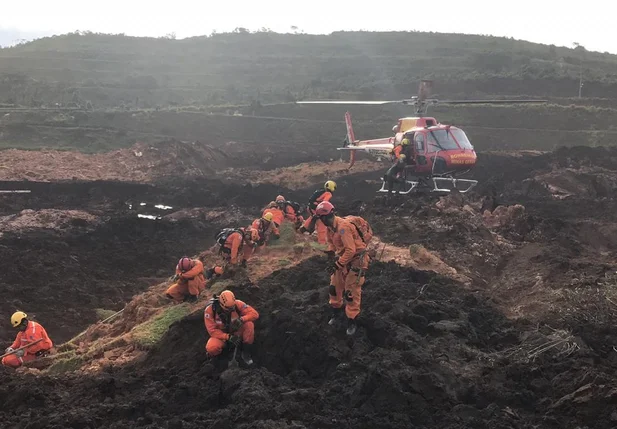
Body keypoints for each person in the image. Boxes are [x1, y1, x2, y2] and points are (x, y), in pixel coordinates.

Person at [315, 201, 370, 336]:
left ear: (326, 216)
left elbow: (351, 250)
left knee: (351, 291)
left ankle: (352, 320)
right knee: (334, 287)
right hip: (343, 259)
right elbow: (333, 245)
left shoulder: (343, 227)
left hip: (357, 259)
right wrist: (331, 254)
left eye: (322, 218)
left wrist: (338, 264)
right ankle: (336, 312)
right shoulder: (330, 229)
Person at [203, 290, 259, 365]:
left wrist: (242, 319)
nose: (231, 310)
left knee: (249, 325)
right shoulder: (210, 310)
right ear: (221, 304)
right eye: (228, 308)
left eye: (232, 308)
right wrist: (228, 337)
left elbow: (255, 314)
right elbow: (212, 331)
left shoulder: (238, 304)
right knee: (212, 347)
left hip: (236, 331)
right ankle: (219, 360)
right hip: (221, 336)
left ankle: (245, 352)